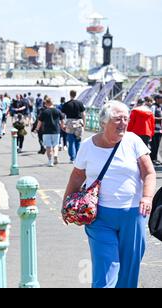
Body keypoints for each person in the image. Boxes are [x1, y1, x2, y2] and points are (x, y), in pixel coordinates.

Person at [63, 101, 156, 288]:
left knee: (130, 268)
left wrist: (147, 197)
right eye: (117, 119)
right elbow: (76, 177)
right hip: (99, 217)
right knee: (105, 269)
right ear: (103, 122)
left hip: (133, 214)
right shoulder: (88, 146)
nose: (123, 123)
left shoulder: (133, 141)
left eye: (125, 119)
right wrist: (66, 204)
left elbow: (149, 173)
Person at [36, 98, 64, 167]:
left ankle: (50, 161)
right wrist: (62, 126)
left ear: (46, 104)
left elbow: (39, 121)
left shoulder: (44, 112)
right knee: (56, 145)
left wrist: (37, 128)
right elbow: (62, 119)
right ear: (52, 103)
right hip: (56, 130)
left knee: (48, 147)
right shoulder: (58, 111)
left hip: (46, 131)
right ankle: (55, 155)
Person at [61, 90, 86, 163]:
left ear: (70, 95)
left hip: (69, 123)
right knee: (78, 141)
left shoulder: (66, 104)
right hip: (78, 122)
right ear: (76, 94)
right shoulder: (80, 103)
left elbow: (62, 115)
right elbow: (83, 114)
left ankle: (72, 158)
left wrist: (62, 124)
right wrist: (84, 123)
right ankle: (78, 157)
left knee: (71, 141)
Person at [150, 94, 162, 165]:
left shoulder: (160, 107)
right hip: (154, 130)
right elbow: (152, 117)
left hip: (160, 130)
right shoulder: (153, 106)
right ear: (157, 99)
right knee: (154, 145)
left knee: (158, 146)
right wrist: (160, 119)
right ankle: (153, 159)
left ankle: (156, 159)